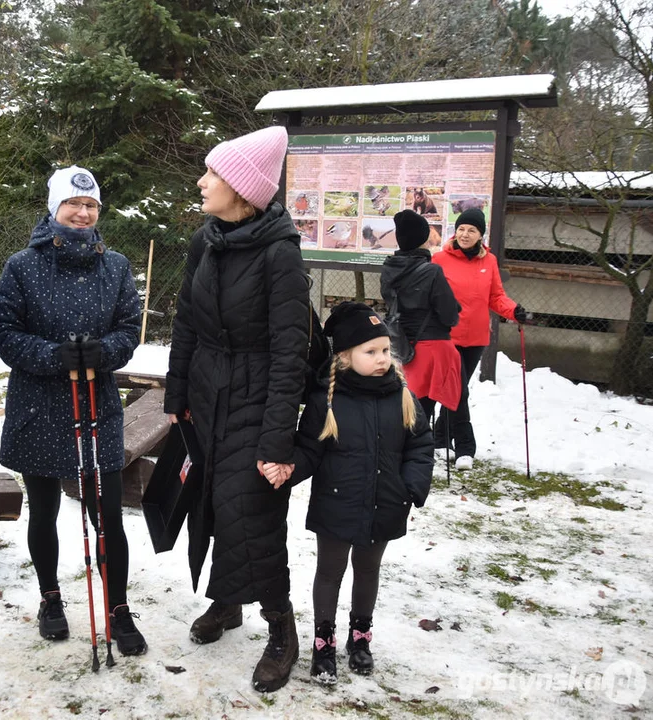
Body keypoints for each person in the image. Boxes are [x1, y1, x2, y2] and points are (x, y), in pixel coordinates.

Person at [164, 126, 312, 693]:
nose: (201, 182)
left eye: (212, 174)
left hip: (256, 398)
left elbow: (288, 355)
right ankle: (227, 603)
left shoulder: (280, 255)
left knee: (252, 512)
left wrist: (277, 440)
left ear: (244, 191)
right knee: (212, 504)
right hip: (206, 394)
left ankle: (281, 627)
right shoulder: (207, 241)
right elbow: (185, 321)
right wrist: (177, 392)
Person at [0, 166, 146, 656]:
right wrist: (53, 356)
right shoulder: (22, 265)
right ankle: (50, 597)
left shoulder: (116, 266)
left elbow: (129, 325)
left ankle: (117, 606)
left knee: (108, 517)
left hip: (97, 402)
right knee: (46, 510)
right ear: (54, 208)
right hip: (40, 403)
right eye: (73, 204)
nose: (82, 213)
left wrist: (105, 352)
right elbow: (5, 331)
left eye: (91, 206)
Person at [264, 302, 434, 685]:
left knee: (368, 569)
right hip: (336, 504)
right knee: (330, 571)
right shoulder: (328, 400)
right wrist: (289, 468)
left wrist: (410, 488)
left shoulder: (402, 394)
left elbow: (420, 445)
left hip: (386, 503)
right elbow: (309, 449)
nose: (381, 359)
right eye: (370, 351)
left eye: (385, 351)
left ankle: (361, 636)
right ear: (345, 356)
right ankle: (323, 640)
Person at [432, 208, 527, 470]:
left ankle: (439, 440)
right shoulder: (440, 259)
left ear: (480, 235)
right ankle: (465, 447)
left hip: (475, 338)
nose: (465, 234)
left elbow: (496, 297)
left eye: (471, 230)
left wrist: (514, 310)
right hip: (446, 337)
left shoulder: (489, 262)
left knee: (456, 391)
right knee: (459, 391)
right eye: (461, 229)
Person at [380, 209, 461, 431]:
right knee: (423, 415)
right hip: (433, 349)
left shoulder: (389, 269)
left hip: (403, 347)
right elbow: (450, 317)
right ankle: (424, 455)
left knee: (408, 410)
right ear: (423, 239)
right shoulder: (432, 271)